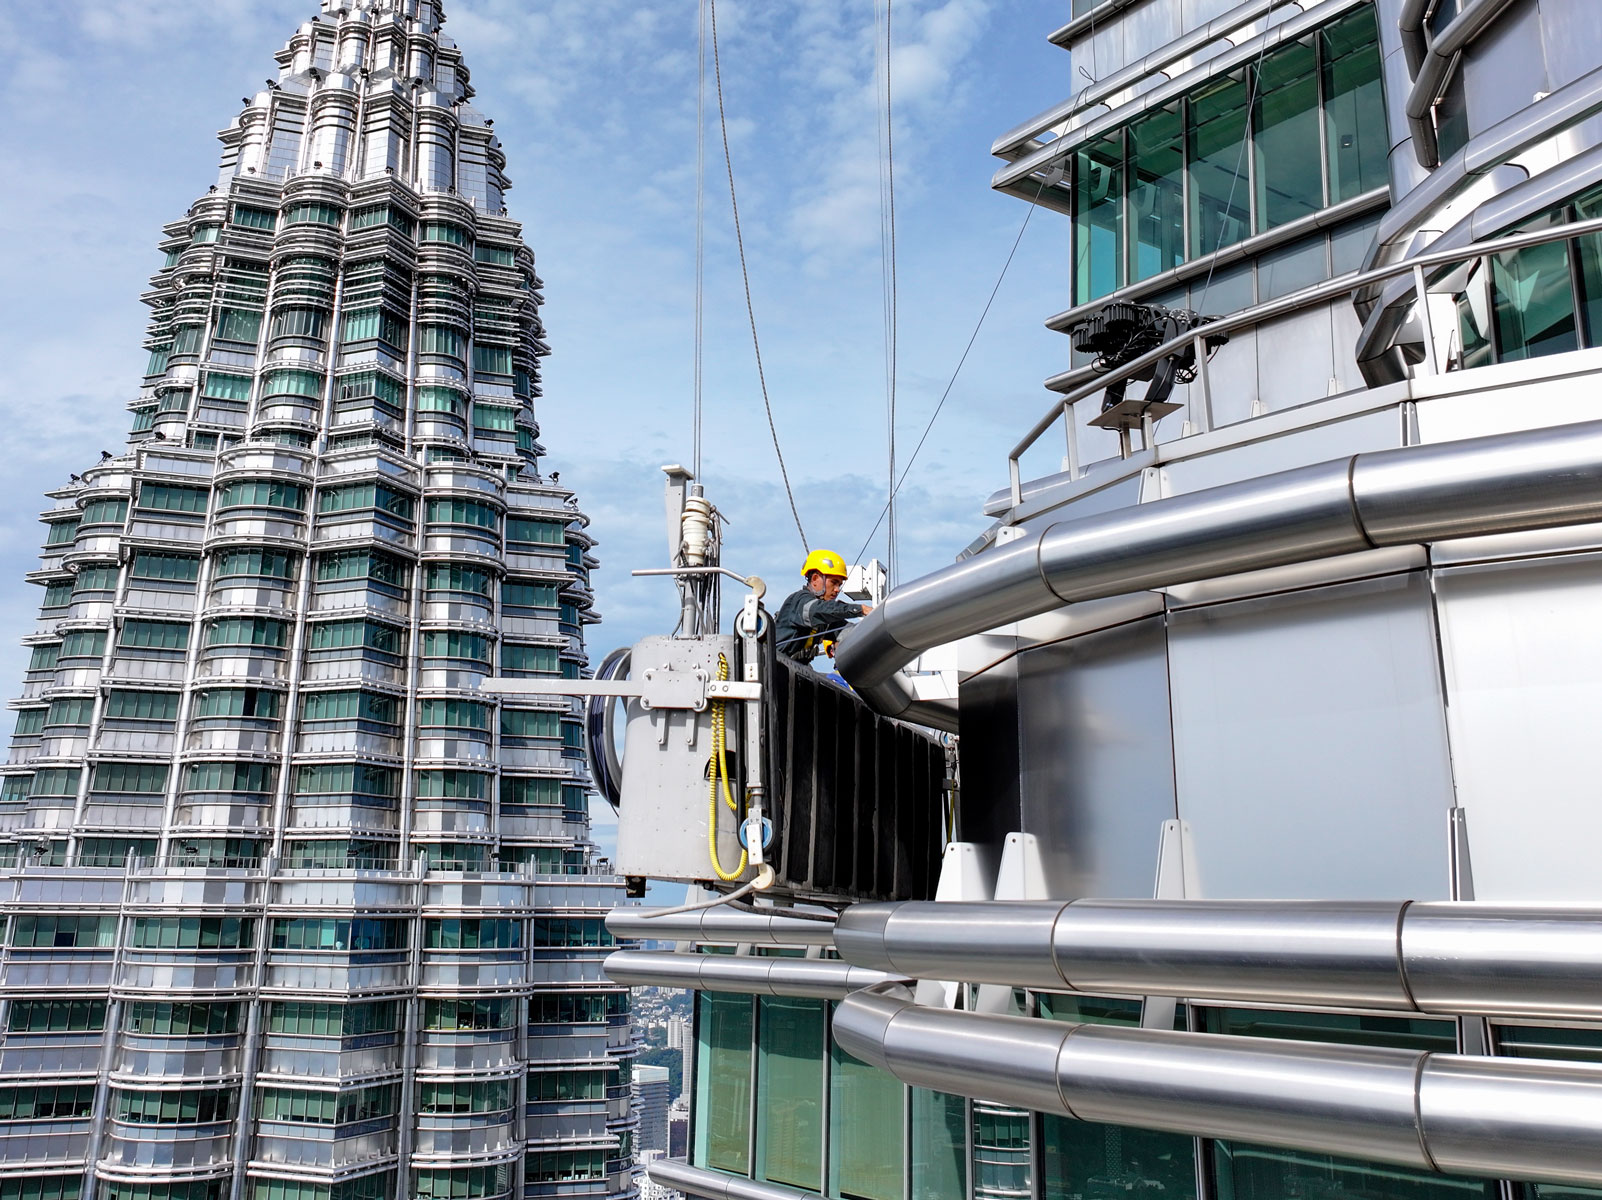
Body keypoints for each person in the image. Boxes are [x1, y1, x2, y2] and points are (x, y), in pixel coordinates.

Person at [775, 549, 873, 664]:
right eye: (834, 582)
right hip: (775, 667)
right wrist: (861, 609)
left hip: (795, 670)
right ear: (815, 579)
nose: (837, 589)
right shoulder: (800, 601)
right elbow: (820, 610)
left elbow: (849, 632)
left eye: (839, 585)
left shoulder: (825, 620)